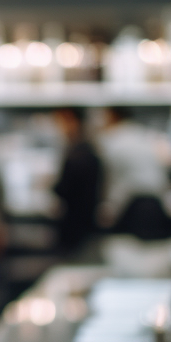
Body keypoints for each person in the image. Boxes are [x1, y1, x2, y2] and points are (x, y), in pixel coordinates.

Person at [96, 106, 171, 240]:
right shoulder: (145, 135)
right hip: (155, 204)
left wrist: (110, 208)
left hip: (132, 206)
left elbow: (116, 180)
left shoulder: (112, 140)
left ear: (112, 117)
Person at [50, 107, 102, 253]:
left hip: (75, 223)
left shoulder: (77, 154)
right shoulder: (88, 150)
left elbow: (65, 189)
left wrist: (51, 186)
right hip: (86, 223)